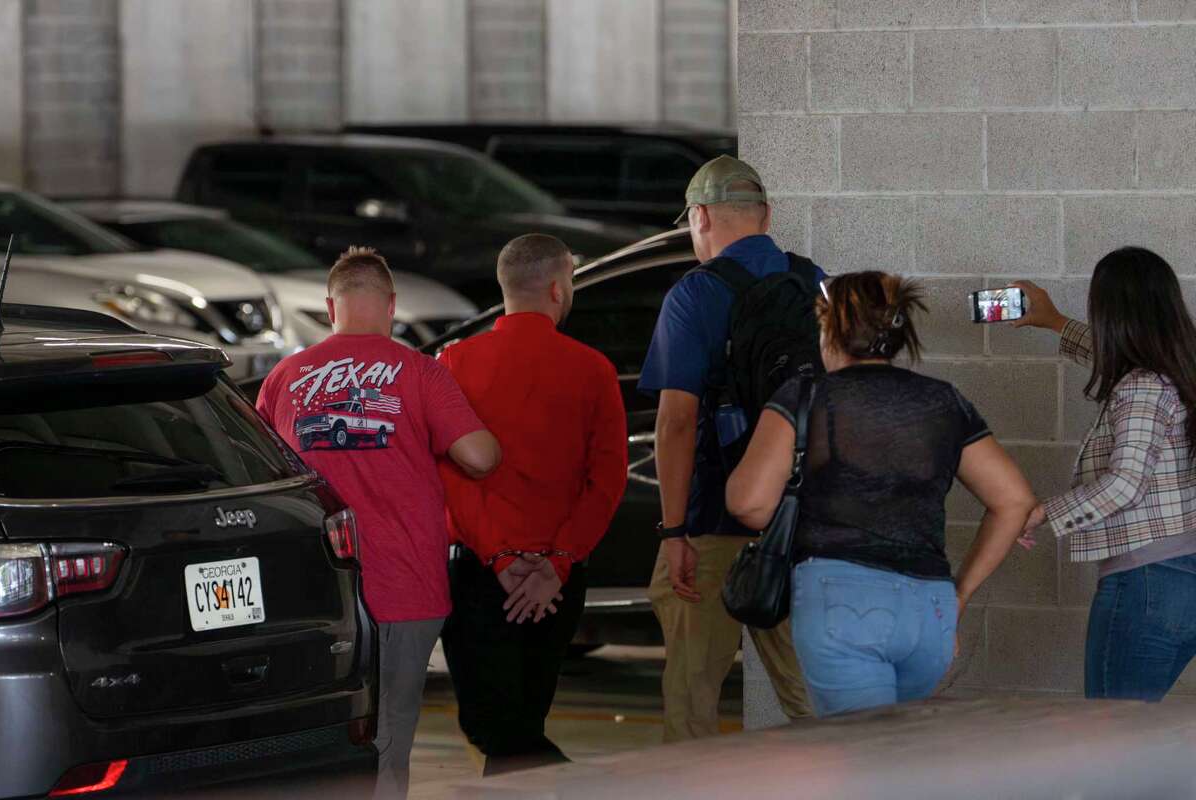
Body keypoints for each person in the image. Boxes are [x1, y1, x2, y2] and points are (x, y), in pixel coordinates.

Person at [726, 271, 1037, 717]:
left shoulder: (805, 397)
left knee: (862, 753)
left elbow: (749, 504)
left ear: (831, 330)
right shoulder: (943, 401)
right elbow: (1014, 501)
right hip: (930, 609)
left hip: (841, 602)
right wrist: (960, 595)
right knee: (901, 750)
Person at [255, 246, 500, 798]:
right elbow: (480, 457)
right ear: (391, 305)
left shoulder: (285, 377)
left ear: (330, 307)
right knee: (389, 735)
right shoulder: (421, 372)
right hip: (406, 586)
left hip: (314, 594)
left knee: (320, 734)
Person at [639, 155, 815, 741]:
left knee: (692, 702)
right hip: (801, 525)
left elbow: (677, 422)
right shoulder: (816, 282)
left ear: (701, 217)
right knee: (816, 699)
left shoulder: (695, 293)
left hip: (715, 522)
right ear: (766, 215)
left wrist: (674, 532)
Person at [438, 234, 628, 775]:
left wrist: (499, 556)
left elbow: (449, 478)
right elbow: (607, 480)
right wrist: (558, 562)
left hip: (479, 574)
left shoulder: (455, 362)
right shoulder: (593, 369)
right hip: (554, 582)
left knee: (498, 731)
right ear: (558, 289)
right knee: (517, 726)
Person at [1015, 248, 1196, 702]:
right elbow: (1117, 357)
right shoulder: (1180, 371)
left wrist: (1043, 513)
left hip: (1146, 582)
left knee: (1111, 730)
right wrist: (1055, 321)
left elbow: (1125, 483)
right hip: (1181, 576)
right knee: (1133, 730)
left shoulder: (1142, 387)